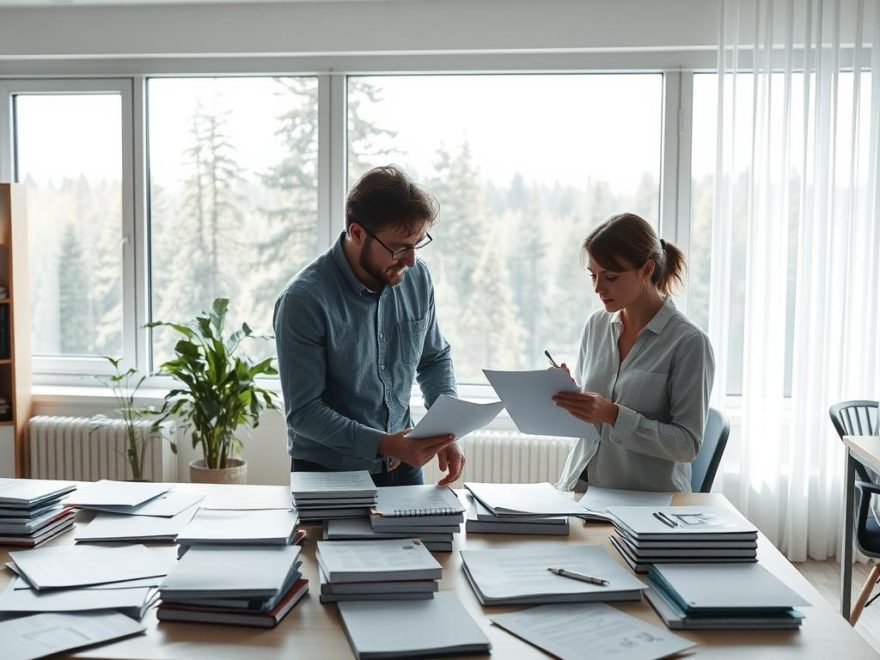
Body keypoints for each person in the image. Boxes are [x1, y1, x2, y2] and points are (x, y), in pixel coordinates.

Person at [274, 165, 464, 487]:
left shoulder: (417, 279)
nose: (411, 261)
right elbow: (304, 412)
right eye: (399, 247)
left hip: (403, 468)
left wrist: (445, 428)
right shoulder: (303, 300)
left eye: (418, 244)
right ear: (357, 232)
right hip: (328, 475)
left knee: (420, 541)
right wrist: (385, 443)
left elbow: (433, 359)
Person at [554, 212, 715, 493]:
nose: (598, 288)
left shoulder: (689, 343)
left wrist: (614, 415)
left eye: (611, 277)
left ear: (647, 270)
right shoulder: (596, 326)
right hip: (580, 491)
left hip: (644, 504)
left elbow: (687, 445)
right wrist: (566, 395)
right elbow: (590, 421)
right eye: (593, 275)